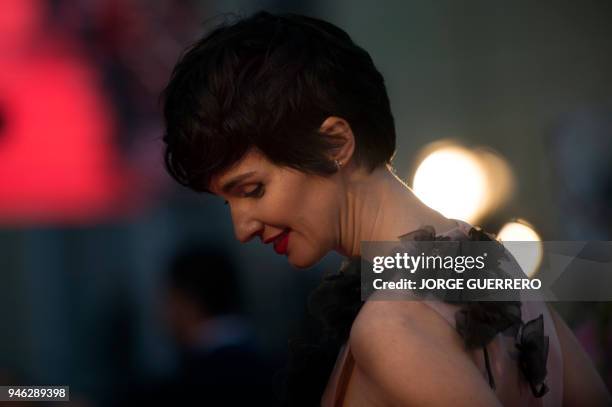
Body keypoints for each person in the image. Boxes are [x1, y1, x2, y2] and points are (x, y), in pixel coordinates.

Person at [161, 11, 611, 406]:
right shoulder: (485, 263)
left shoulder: (390, 327)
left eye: (253, 189)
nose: (241, 228)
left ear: (335, 143)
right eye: (227, 201)